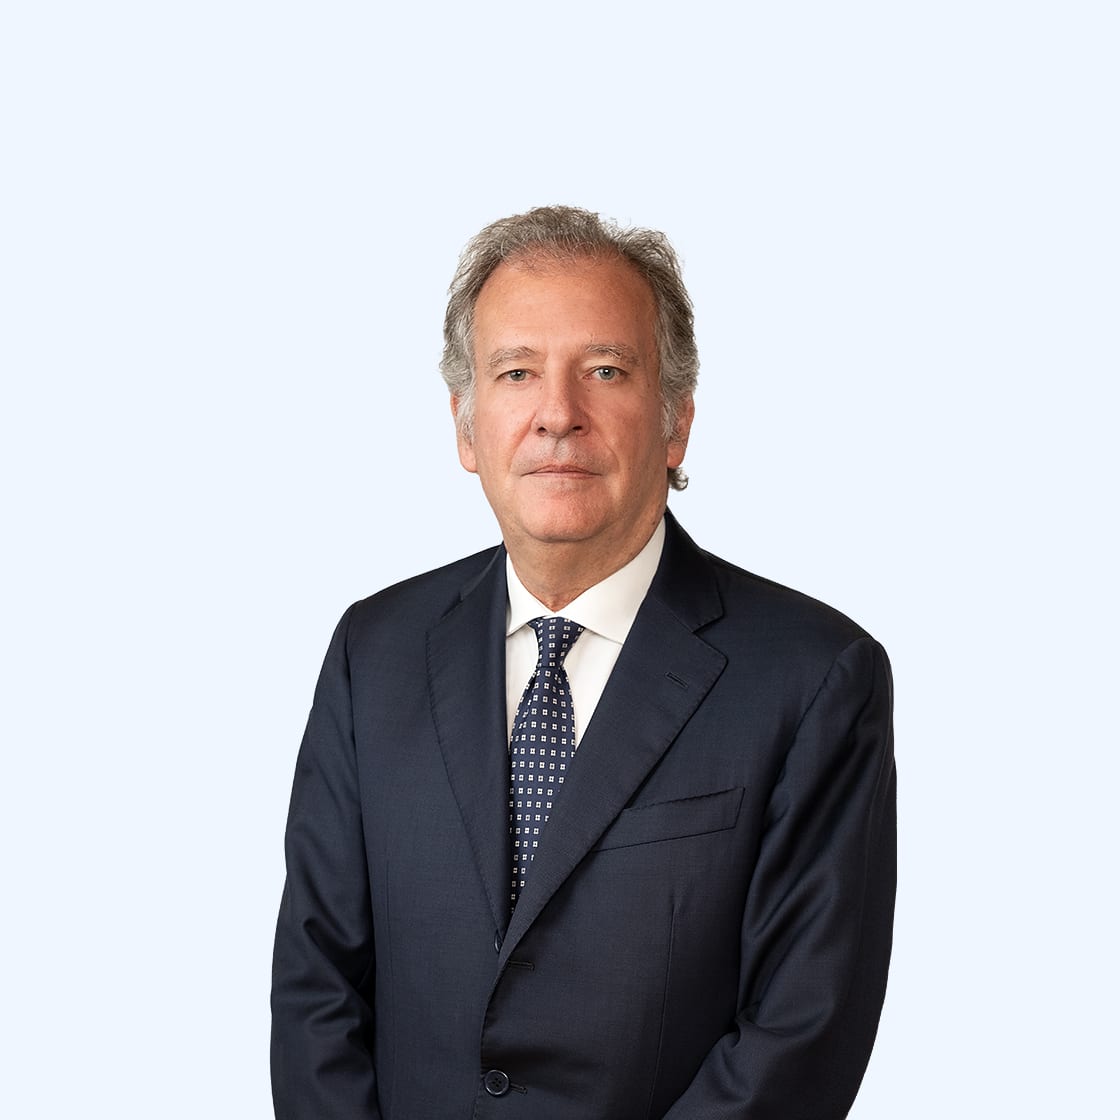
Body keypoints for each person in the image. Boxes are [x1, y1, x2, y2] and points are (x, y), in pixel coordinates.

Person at [270, 205, 896, 1119]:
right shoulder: (376, 652)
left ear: (676, 423)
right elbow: (317, 990)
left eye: (605, 370)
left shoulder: (814, 680)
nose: (558, 414)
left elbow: (800, 1035)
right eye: (516, 372)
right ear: (467, 427)